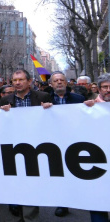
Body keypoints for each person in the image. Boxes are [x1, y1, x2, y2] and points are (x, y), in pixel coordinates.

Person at [0, 69, 52, 222]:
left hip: (36, 147)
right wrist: (2, 113)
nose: (17, 83)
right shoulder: (5, 100)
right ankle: (21, 213)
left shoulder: (43, 97)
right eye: (15, 80)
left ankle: (29, 218)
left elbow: (54, 120)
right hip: (14, 147)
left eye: (21, 80)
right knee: (18, 183)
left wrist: (49, 109)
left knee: (32, 183)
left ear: (29, 82)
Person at [47, 71, 85, 217]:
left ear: (66, 82)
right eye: (55, 81)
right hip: (54, 142)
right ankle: (63, 203)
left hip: (74, 140)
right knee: (59, 173)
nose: (59, 82)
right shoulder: (44, 99)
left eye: (61, 80)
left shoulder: (79, 98)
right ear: (51, 84)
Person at [83, 73, 110, 222]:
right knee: (98, 208)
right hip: (97, 164)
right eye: (105, 87)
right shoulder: (88, 106)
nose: (108, 90)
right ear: (99, 89)